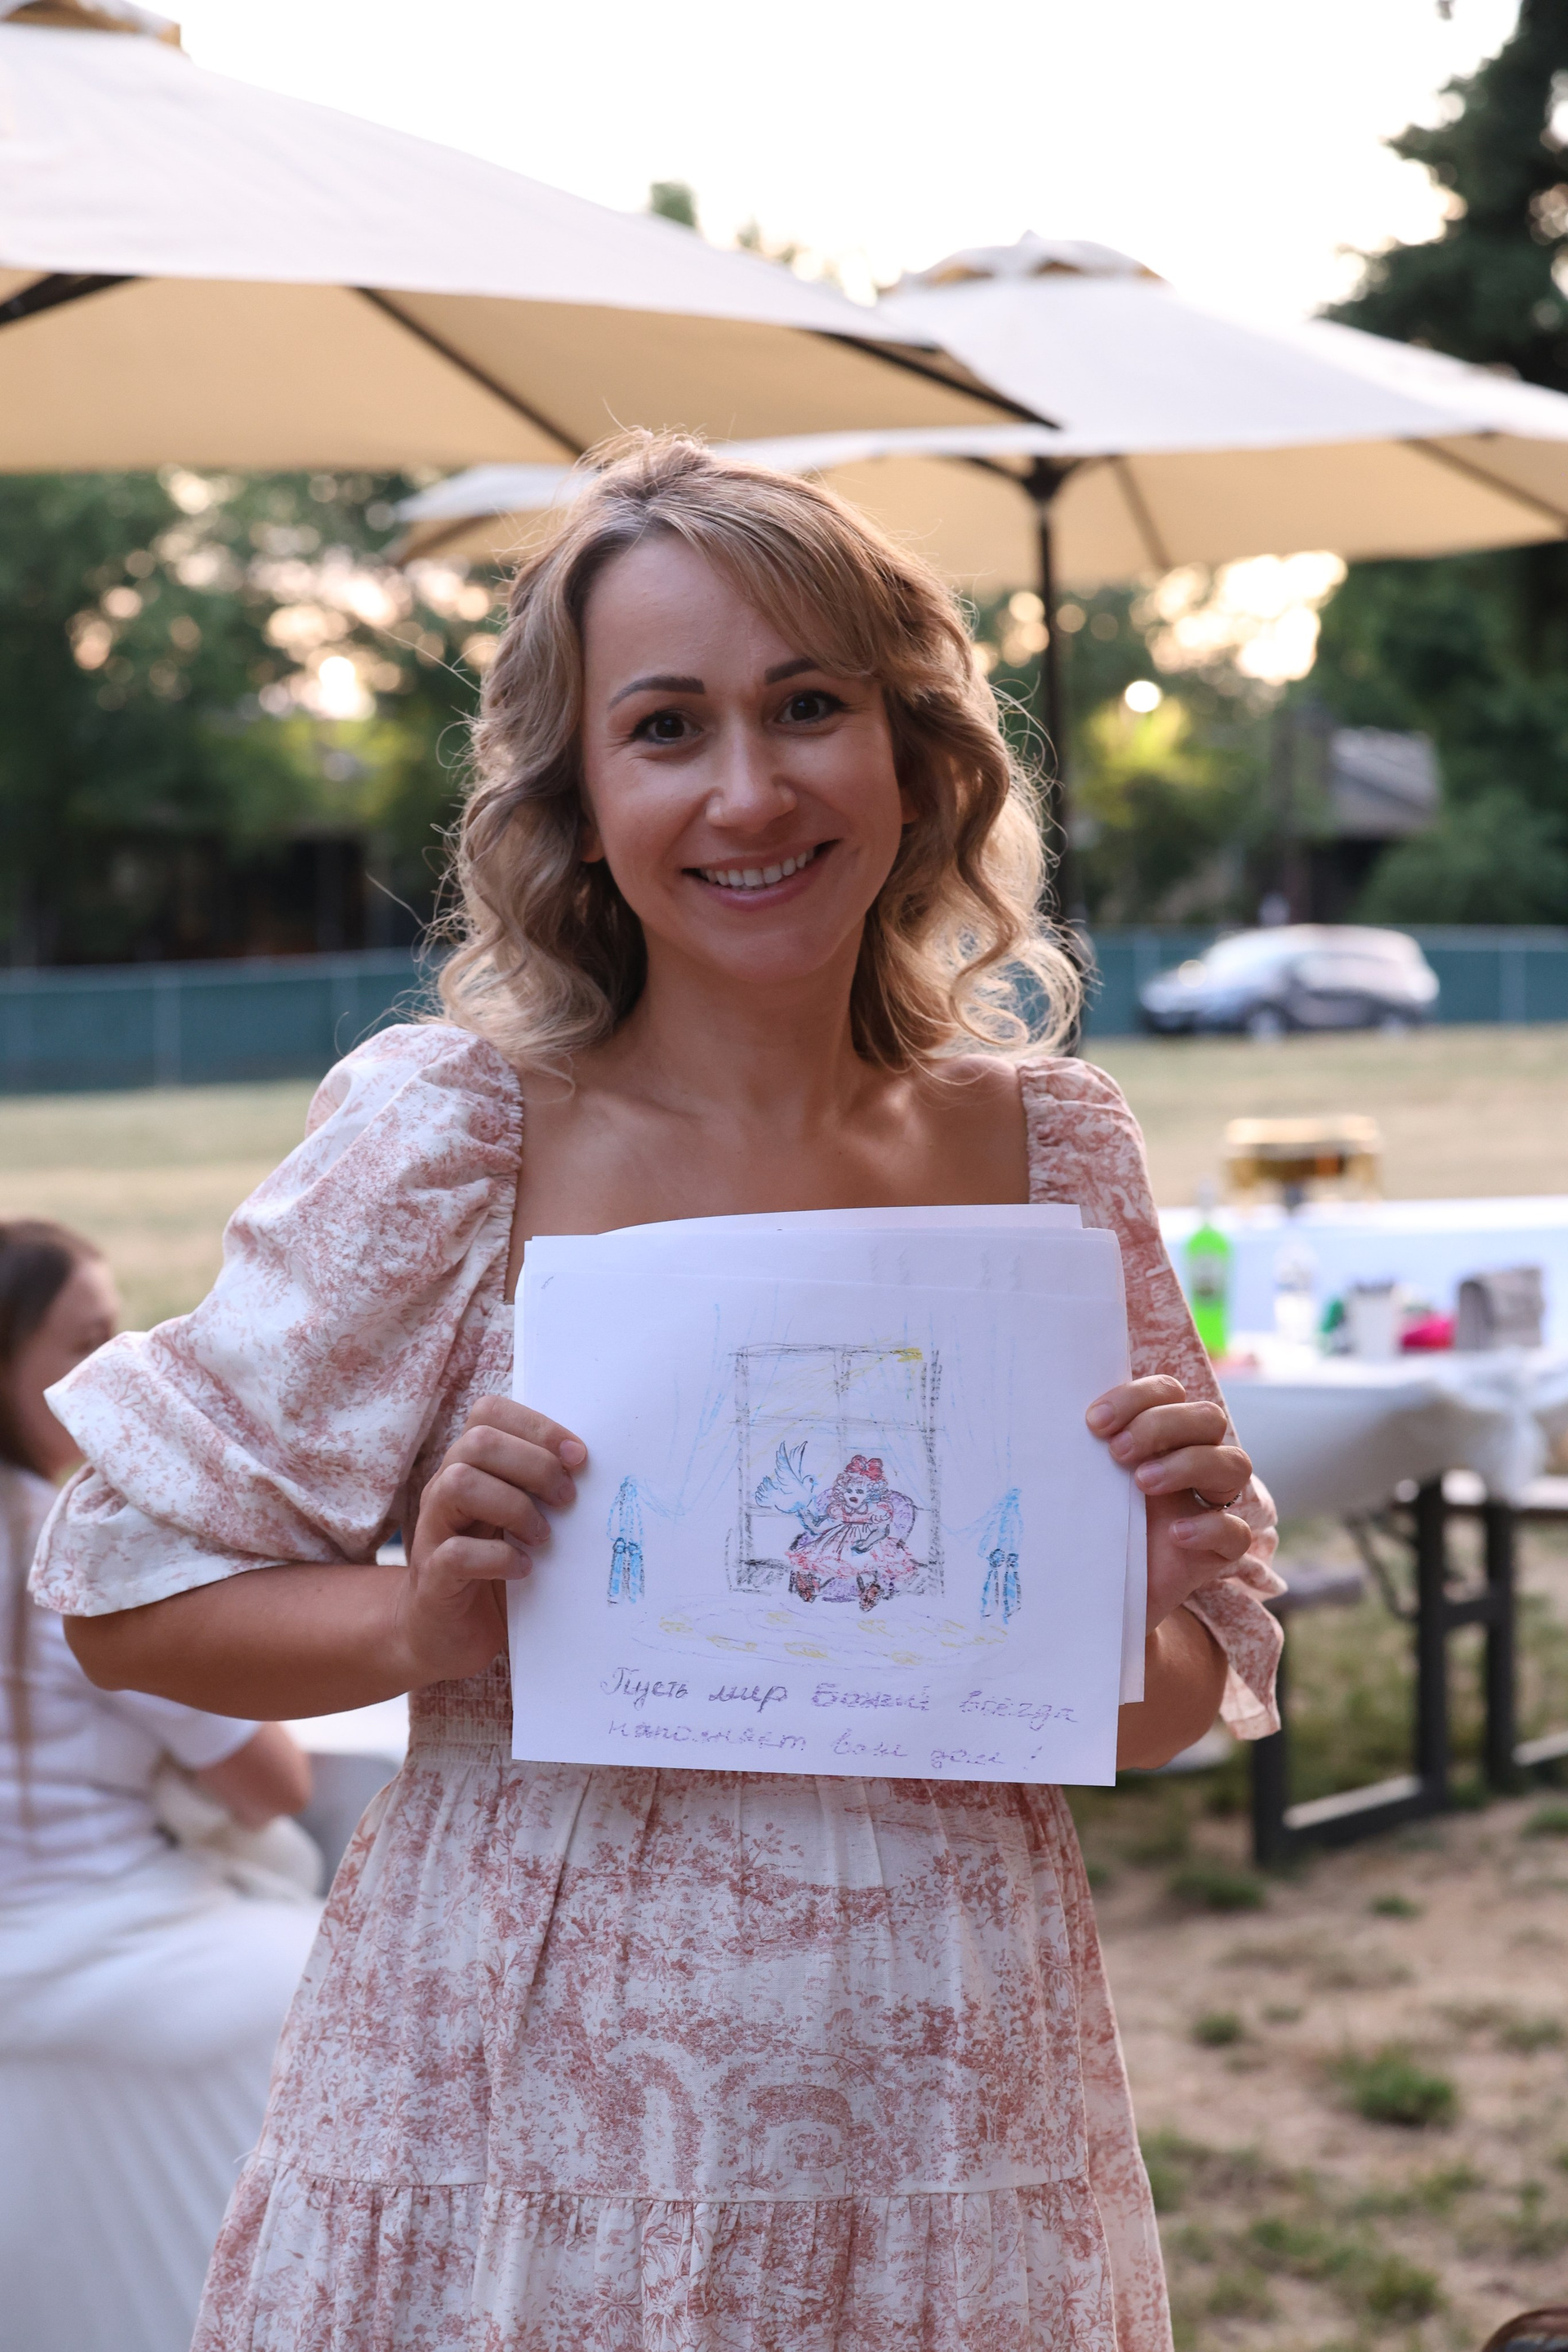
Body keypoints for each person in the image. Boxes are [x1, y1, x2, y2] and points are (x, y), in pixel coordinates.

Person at [38, 436, 1283, 2352]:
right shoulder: (450, 1139)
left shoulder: (1054, 1154)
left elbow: (1159, 1707)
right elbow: (123, 1597)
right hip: (515, 2097)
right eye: (668, 726)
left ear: (918, 751)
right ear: (582, 796)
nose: (748, 789)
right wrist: (419, 1617)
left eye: (809, 706)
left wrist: (1148, 1593)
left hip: (948, 2084)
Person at [0, 1219, 319, 2352]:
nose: (118, 1364)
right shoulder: (73, 1556)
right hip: (122, 1951)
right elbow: (272, 1786)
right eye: (85, 1339)